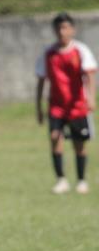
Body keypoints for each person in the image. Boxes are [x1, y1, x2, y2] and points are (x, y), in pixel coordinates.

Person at [36, 12, 97, 194]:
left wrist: (91, 98)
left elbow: (91, 76)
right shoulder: (49, 53)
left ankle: (81, 180)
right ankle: (61, 179)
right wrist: (39, 107)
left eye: (65, 27)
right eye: (58, 28)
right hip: (56, 106)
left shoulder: (80, 50)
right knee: (55, 139)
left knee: (79, 144)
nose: (61, 32)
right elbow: (40, 80)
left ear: (72, 29)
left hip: (78, 105)